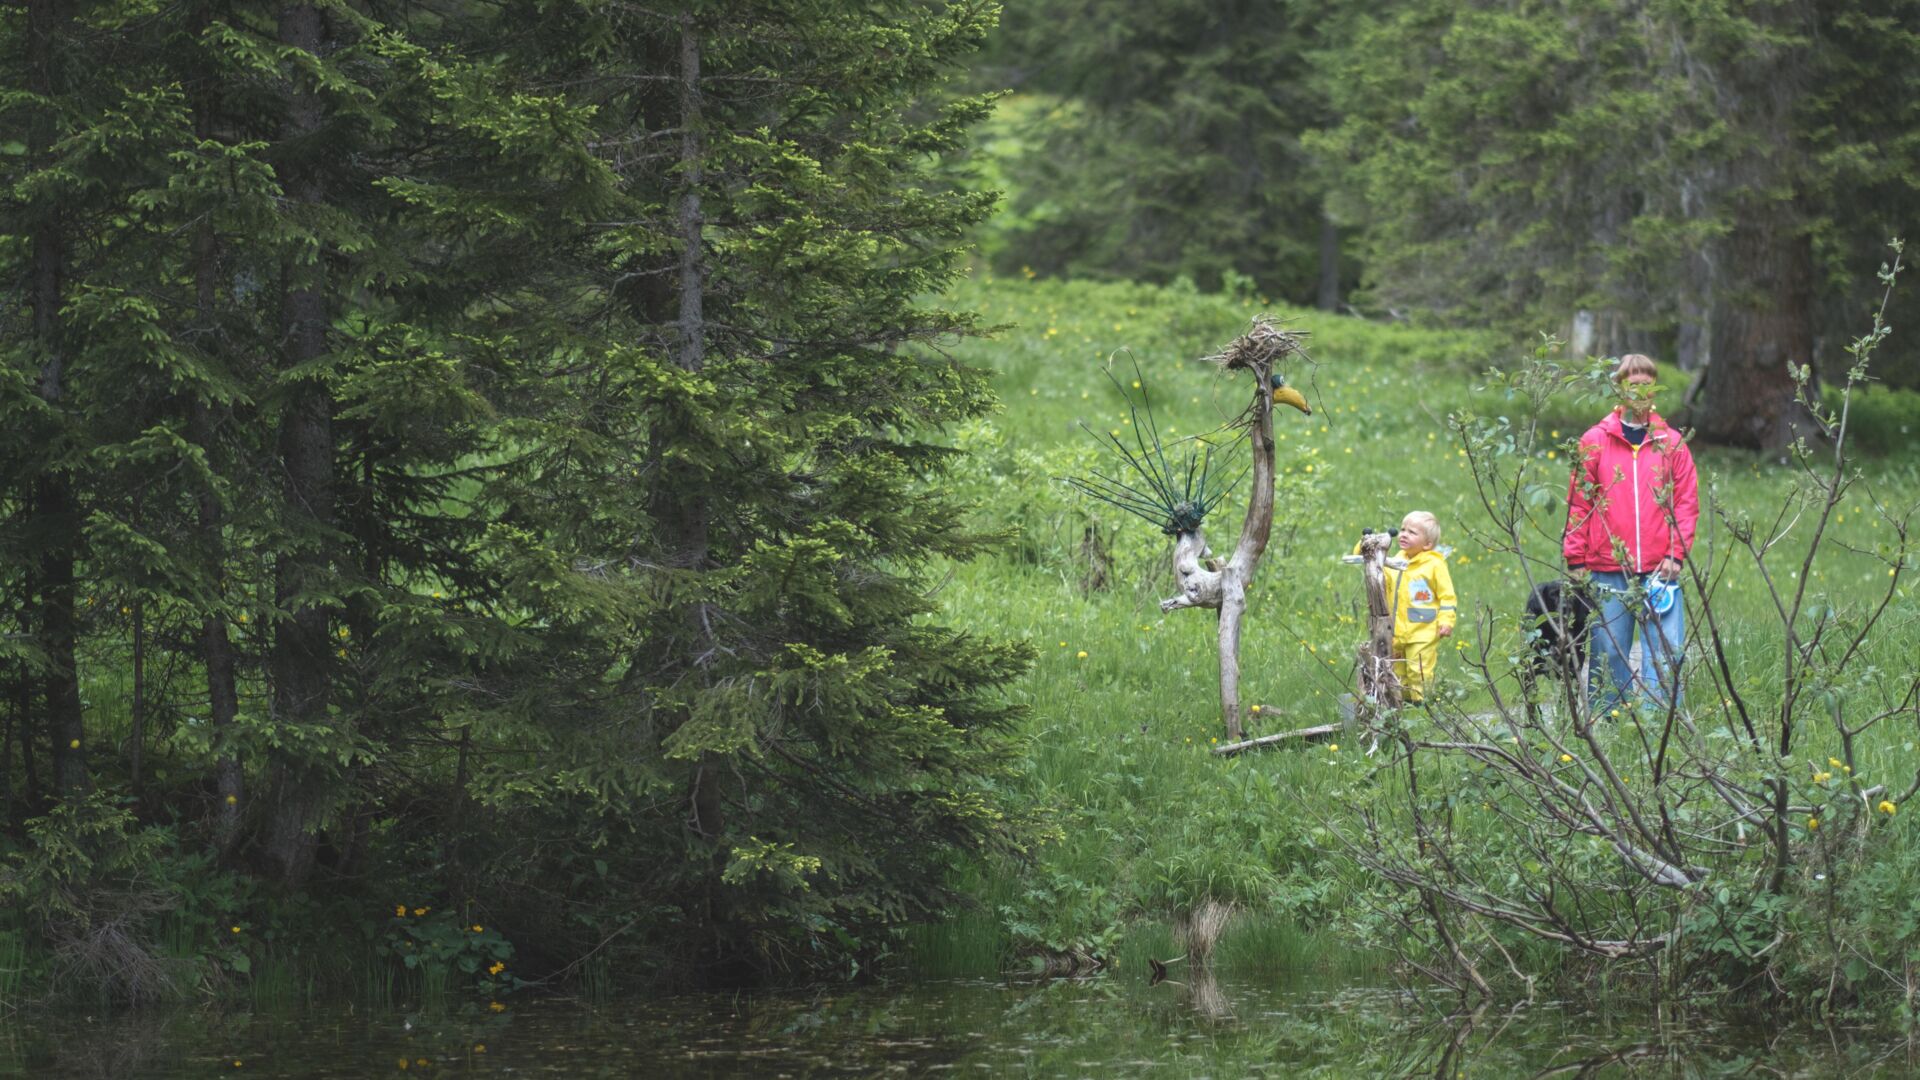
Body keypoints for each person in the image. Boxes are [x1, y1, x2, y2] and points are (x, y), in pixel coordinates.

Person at [1562, 354, 1699, 715]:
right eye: (1632, 384)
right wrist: (1575, 557)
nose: (1640, 390)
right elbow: (1579, 502)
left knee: (1666, 651)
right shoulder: (1595, 440)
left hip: (1660, 571)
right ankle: (1610, 724)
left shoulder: (1672, 444)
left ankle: (1661, 727)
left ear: (1655, 389)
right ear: (1619, 388)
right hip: (1607, 568)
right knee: (1608, 650)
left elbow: (1685, 502)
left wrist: (1675, 553)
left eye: (1647, 383)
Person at [1387, 511, 1456, 703]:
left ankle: (1423, 707)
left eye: (1412, 532)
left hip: (1423, 630)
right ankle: (1403, 707)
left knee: (1419, 671)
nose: (1404, 534)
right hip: (1398, 631)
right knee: (1398, 673)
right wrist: (1366, 549)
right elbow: (1380, 576)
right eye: (1402, 529)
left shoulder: (1434, 565)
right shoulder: (1395, 561)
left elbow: (1447, 595)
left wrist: (1446, 620)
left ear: (1427, 544)